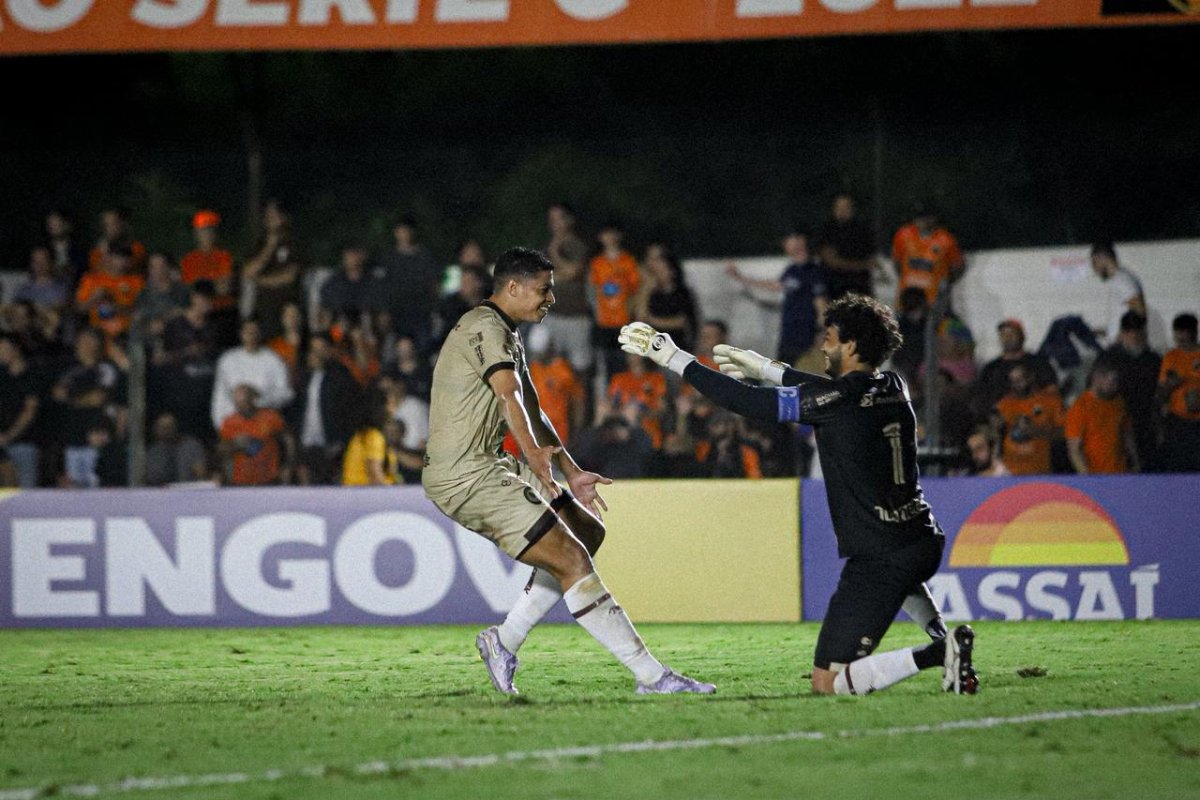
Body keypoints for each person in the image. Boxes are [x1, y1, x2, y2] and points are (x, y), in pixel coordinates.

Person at [618, 293, 977, 696]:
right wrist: (772, 370)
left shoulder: (838, 401)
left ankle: (942, 651)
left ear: (851, 345)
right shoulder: (894, 385)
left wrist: (674, 358)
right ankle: (945, 643)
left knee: (829, 683)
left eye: (830, 337)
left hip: (881, 554)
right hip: (921, 539)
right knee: (902, 579)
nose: (823, 346)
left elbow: (751, 403)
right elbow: (833, 391)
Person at [422, 246, 713, 696]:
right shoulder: (484, 328)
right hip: (466, 473)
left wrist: (571, 471)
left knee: (586, 531)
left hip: (492, 462)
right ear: (513, 288)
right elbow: (508, 396)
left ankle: (503, 641)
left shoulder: (506, 330)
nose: (551, 299)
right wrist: (534, 454)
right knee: (571, 560)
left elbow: (532, 408)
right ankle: (652, 677)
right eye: (544, 290)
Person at [726, 231, 827, 368]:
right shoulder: (792, 270)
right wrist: (740, 278)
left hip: (806, 334)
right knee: (782, 373)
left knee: (805, 374)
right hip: (789, 333)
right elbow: (774, 286)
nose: (785, 244)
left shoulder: (814, 271)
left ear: (801, 241)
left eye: (789, 239)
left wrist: (821, 332)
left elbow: (821, 304)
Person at [527, 202, 593, 379]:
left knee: (580, 368)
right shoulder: (545, 249)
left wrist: (556, 254)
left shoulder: (577, 246)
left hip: (576, 317)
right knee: (538, 349)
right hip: (552, 315)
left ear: (569, 220)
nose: (555, 223)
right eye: (552, 219)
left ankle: (583, 405)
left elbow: (574, 272)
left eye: (560, 218)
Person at [295, 334, 360, 485]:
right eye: (313, 349)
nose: (316, 353)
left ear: (330, 350)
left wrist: (341, 441)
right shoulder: (306, 377)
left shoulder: (341, 376)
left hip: (331, 446)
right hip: (307, 444)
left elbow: (352, 411)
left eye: (320, 349)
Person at [211, 318, 294, 431]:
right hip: (234, 424)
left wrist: (260, 399)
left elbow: (286, 393)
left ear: (260, 334)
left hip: (264, 425)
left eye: (254, 331)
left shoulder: (274, 359)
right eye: (247, 331)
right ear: (241, 334)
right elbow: (220, 397)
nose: (251, 335)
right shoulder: (227, 360)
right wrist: (221, 426)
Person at [1103, 311, 1161, 468]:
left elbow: (1160, 396)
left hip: (1146, 424)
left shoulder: (1153, 360)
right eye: (1129, 331)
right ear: (1122, 333)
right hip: (1116, 425)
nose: (1134, 336)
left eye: (1138, 331)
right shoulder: (1108, 359)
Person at [242, 200, 304, 341]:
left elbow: (289, 276)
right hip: (262, 309)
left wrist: (260, 280)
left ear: (284, 217)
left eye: (274, 213)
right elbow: (248, 273)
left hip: (287, 307)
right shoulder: (259, 244)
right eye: (268, 214)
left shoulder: (294, 243)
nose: (270, 217)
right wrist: (270, 246)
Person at [376, 214, 440, 347]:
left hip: (421, 312)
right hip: (396, 313)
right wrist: (384, 311)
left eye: (407, 230)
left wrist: (434, 308)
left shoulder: (425, 256)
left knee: (423, 348)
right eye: (401, 230)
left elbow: (434, 285)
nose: (404, 234)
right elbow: (383, 287)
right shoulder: (389, 258)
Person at [1065, 360, 1138, 475]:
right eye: (1112, 382)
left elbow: (1126, 433)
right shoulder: (1080, 407)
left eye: (1117, 382)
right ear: (1097, 378)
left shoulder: (1118, 402)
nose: (1116, 387)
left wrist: (1135, 462)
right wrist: (1089, 479)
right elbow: (1074, 450)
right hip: (1096, 475)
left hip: (1122, 474)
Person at [589, 222, 642, 381]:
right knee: (607, 364)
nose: (609, 238)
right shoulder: (597, 263)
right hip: (604, 322)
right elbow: (593, 289)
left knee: (626, 363)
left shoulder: (628, 261)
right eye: (606, 234)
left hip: (624, 320)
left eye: (612, 233)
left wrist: (631, 311)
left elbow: (636, 289)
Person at [993, 363, 1064, 476]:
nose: (1016, 385)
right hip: (1010, 472)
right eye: (1013, 381)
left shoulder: (1051, 401)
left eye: (1020, 380)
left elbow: (1064, 433)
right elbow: (995, 438)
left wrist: (1037, 431)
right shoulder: (1003, 404)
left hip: (1042, 470)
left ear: (1031, 377)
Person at [218, 384, 294, 486]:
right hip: (241, 481)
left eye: (244, 403)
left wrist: (288, 465)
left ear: (252, 400)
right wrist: (234, 444)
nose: (241, 407)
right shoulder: (229, 422)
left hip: (269, 479)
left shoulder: (270, 417)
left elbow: (288, 440)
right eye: (237, 404)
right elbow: (221, 451)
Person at [976, 319, 1058, 412]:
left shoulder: (1039, 362)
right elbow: (982, 399)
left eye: (1012, 333)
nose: (1008, 338)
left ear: (1022, 336)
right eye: (1003, 335)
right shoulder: (990, 369)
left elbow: (1052, 391)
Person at [891, 202, 964, 308]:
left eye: (926, 217)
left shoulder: (946, 239)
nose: (922, 221)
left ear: (934, 218)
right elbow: (897, 263)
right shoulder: (903, 235)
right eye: (919, 217)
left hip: (935, 300)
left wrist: (945, 283)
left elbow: (957, 266)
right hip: (908, 298)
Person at [1156, 312, 1200, 472]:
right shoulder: (1171, 357)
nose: (1179, 337)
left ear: (1193, 332)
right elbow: (1161, 392)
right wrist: (1171, 386)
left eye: (1183, 332)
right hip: (1178, 421)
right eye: (1177, 333)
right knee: (1178, 465)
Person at [75, 243, 145, 342]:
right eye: (119, 257)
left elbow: (141, 310)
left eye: (126, 258)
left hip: (128, 332)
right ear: (110, 257)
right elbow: (79, 308)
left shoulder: (137, 281)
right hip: (98, 333)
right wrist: (95, 298)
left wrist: (115, 307)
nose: (123, 261)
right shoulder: (91, 279)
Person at [634, 243, 696, 351]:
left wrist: (652, 321)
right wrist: (646, 290)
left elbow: (681, 321)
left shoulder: (681, 293)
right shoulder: (650, 294)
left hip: (677, 348)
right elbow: (640, 317)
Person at [0, 335, 44, 488]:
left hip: (24, 443)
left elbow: (29, 411)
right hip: (2, 444)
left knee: (26, 492)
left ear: (16, 350)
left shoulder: (31, 375)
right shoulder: (2, 376)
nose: (1, 353)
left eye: (4, 349)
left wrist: (8, 436)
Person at [816, 193, 875, 300]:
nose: (842, 211)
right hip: (834, 287)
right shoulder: (827, 229)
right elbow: (830, 260)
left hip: (860, 287)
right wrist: (858, 266)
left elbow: (871, 260)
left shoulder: (862, 230)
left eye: (846, 207)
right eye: (839, 207)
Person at [1090, 241, 1145, 345]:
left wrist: (1120, 341)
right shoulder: (1117, 281)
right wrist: (1103, 332)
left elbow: (1139, 313)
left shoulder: (1123, 281)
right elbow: (1124, 319)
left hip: (1124, 349)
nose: (1094, 269)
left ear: (1103, 258)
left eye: (1094, 262)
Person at [342, 390, 399, 486]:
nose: (394, 408)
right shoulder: (373, 437)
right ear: (381, 408)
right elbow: (374, 476)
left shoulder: (369, 434)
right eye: (391, 404)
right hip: (362, 495)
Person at [144, 412, 209, 486]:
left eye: (169, 427)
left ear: (176, 427)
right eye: (163, 428)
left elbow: (201, 472)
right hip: (161, 492)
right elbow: (148, 478)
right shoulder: (153, 452)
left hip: (188, 490)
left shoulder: (191, 446)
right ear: (156, 430)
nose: (167, 431)